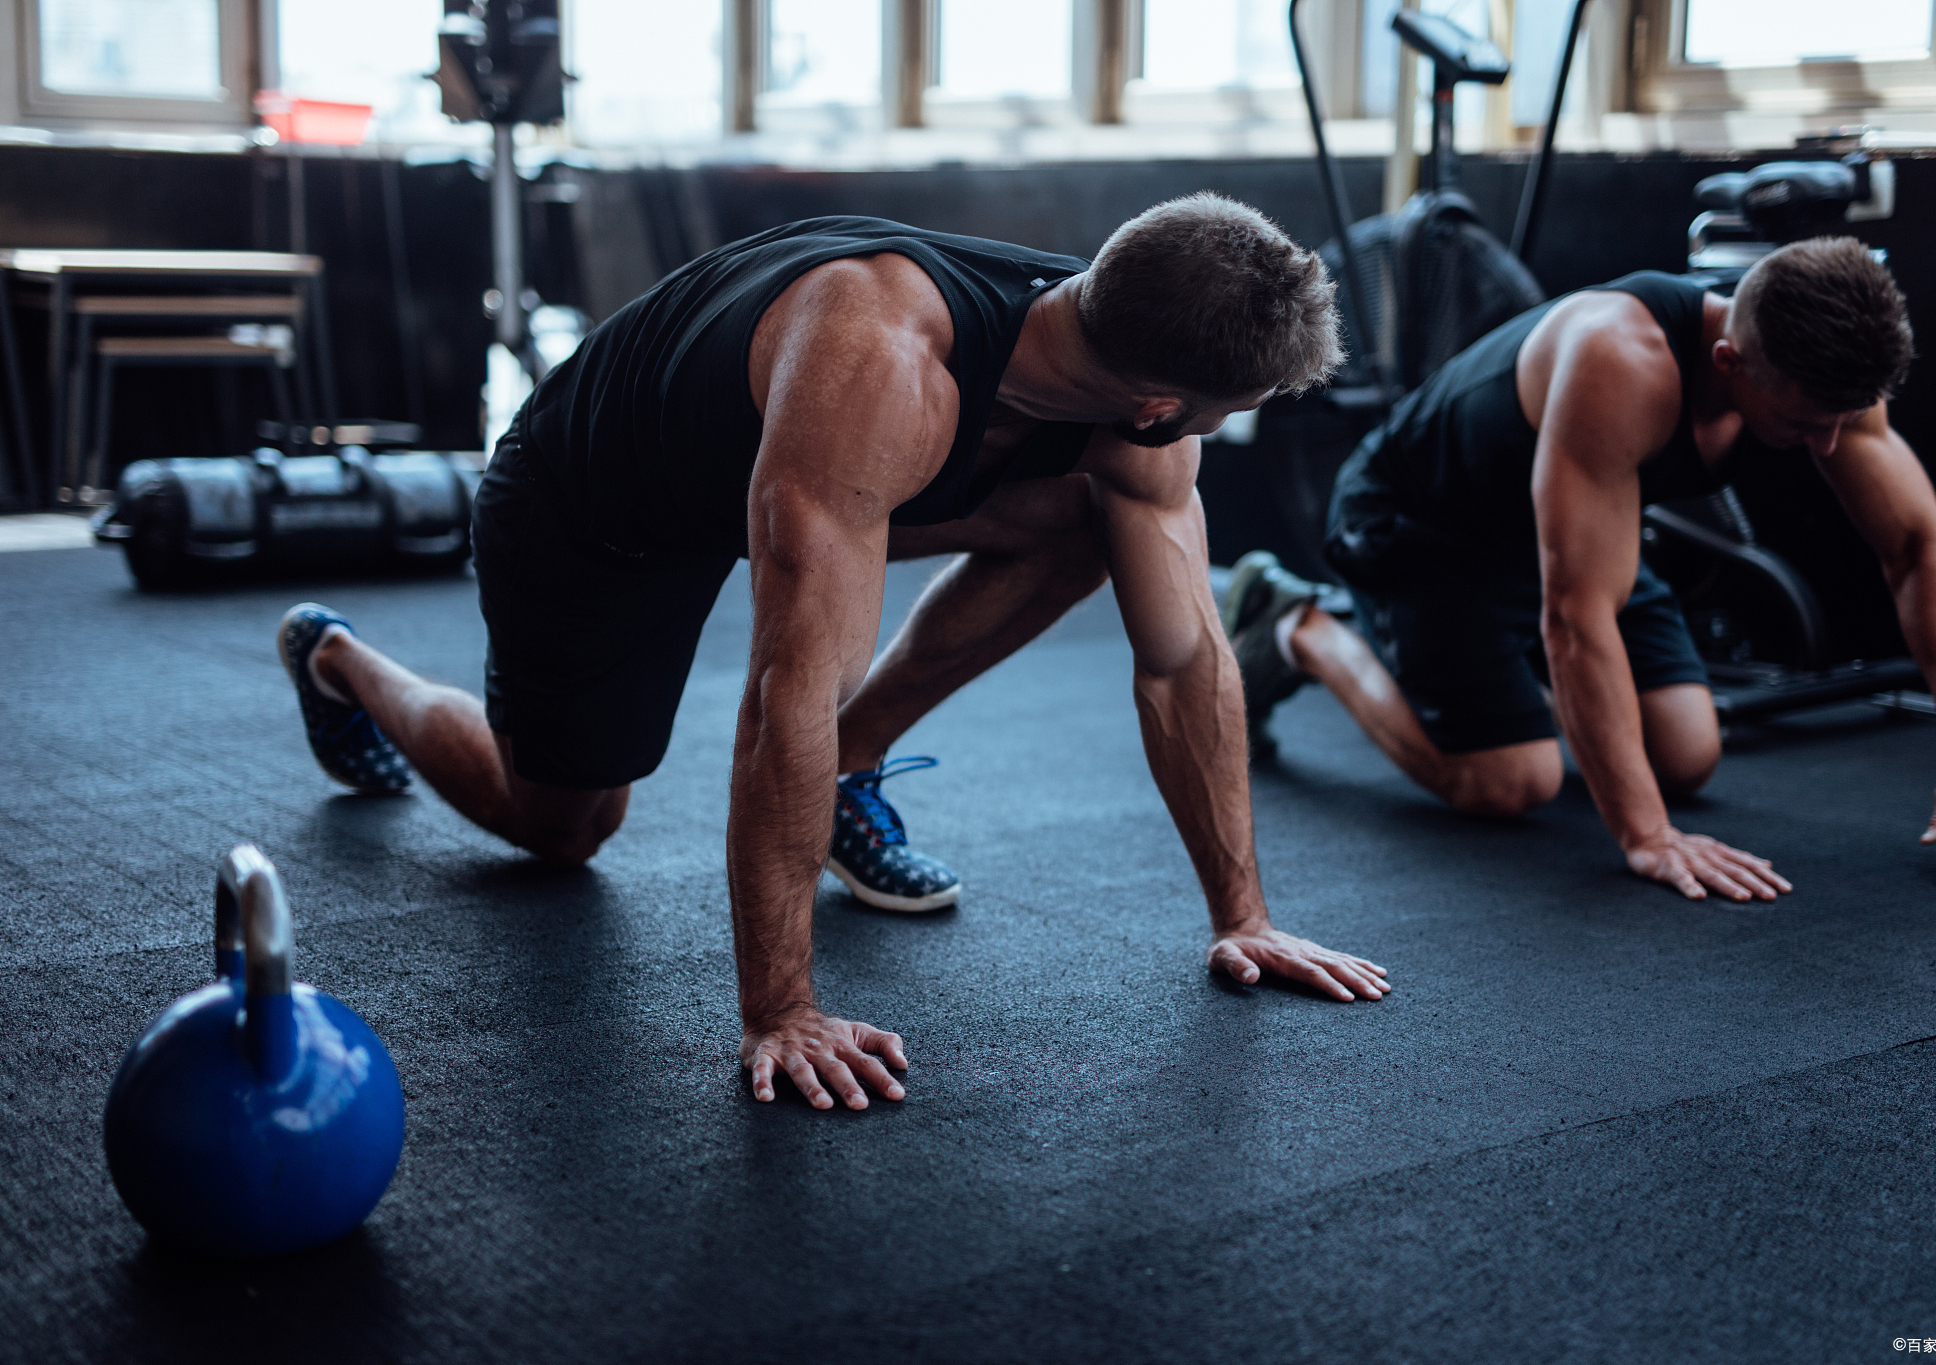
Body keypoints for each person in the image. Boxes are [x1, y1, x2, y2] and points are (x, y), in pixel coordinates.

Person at [274, 196, 1391, 1112]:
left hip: (783, 472)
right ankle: (341, 662)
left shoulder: (1115, 344)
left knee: (1083, 523)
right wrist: (781, 1009)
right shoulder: (886, 365)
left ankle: (855, 769)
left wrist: (1239, 917)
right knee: (560, 828)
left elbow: (1180, 657)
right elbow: (782, 694)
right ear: (1159, 406)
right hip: (598, 505)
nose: (1201, 439)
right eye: (1213, 420)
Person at [1225, 237, 1936, 901]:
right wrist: (1645, 835)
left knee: (1685, 753)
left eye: (1842, 423)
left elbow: (1919, 546)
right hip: (1429, 526)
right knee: (1513, 780)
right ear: (1730, 360)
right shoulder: (1623, 359)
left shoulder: (1832, 382)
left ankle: (1500, 686)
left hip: (1571, 532)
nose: (1829, 446)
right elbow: (1576, 617)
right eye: (1802, 424)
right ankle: (1301, 626)